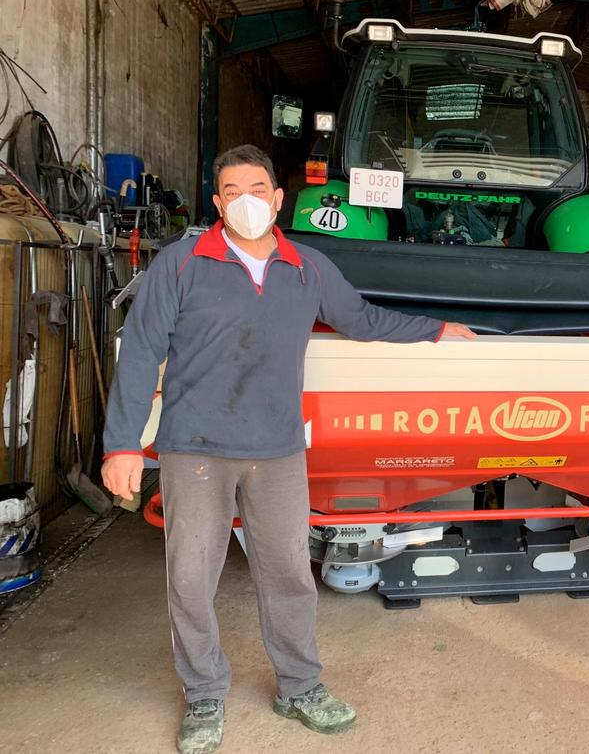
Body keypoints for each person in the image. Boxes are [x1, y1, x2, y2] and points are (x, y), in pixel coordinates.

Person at [100, 144, 476, 754]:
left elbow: (360, 319)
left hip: (276, 449)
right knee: (192, 580)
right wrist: (121, 444)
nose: (246, 200)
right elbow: (142, 352)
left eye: (257, 188)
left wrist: (434, 329)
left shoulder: (307, 266)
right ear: (218, 203)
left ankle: (300, 686)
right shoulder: (180, 264)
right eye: (232, 191)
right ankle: (203, 696)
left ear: (277, 199)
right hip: (194, 449)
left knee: (289, 575)